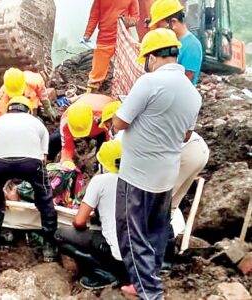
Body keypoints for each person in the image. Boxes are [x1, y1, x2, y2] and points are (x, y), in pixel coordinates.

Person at [112, 28, 201, 299]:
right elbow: (186, 135)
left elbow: (119, 122)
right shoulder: (192, 92)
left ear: (152, 57)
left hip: (137, 175)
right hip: (166, 175)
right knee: (155, 233)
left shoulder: (149, 83)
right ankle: (146, 280)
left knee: (132, 235)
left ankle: (149, 293)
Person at [0, 96, 58, 262]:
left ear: (9, 109)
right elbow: (43, 158)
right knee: (44, 196)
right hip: (31, 162)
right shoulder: (37, 123)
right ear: (28, 110)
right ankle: (49, 247)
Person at [55, 140, 129, 290]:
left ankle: (103, 272)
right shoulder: (142, 180)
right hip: (141, 258)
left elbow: (79, 221)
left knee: (60, 234)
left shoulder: (101, 181)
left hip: (116, 256)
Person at [83, 0, 139, 93]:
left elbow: (135, 19)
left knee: (127, 70)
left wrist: (125, 21)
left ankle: (126, 94)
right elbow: (94, 16)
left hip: (123, 39)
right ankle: (91, 94)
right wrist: (87, 34)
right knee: (96, 76)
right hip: (104, 40)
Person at [47, 93, 113, 165]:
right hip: (91, 116)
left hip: (101, 126)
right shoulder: (65, 120)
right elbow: (67, 147)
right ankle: (47, 160)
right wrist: (67, 161)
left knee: (102, 154)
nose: (80, 137)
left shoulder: (105, 117)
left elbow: (110, 142)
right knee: (55, 139)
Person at [148, 0, 203, 85]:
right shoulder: (168, 42)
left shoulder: (192, 46)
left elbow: (184, 83)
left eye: (159, 26)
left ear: (173, 22)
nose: (158, 30)